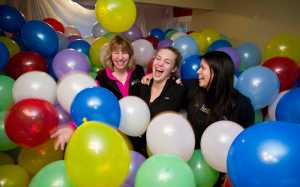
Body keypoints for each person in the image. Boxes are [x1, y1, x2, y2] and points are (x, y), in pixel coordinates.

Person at [183, 51, 255, 149]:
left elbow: (245, 141)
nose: (198, 71)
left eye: (203, 68)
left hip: (218, 159)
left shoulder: (242, 105)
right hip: (191, 152)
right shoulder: (193, 87)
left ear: (217, 73)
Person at [131, 47, 186, 156]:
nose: (160, 63)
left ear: (174, 68)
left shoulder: (178, 91)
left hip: (159, 153)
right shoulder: (140, 86)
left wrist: (181, 80)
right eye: (158, 59)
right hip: (135, 151)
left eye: (167, 62)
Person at [96, 35, 144, 99]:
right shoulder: (101, 77)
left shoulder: (138, 71)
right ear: (110, 55)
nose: (120, 57)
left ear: (130, 55)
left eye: (124, 53)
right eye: (116, 53)